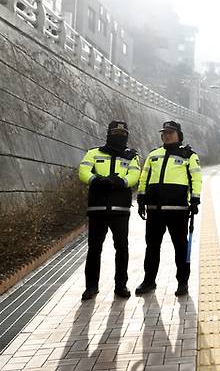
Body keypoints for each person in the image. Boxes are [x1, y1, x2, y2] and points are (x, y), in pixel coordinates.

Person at [135, 121, 202, 297]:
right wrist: (141, 198)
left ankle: (182, 282)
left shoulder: (189, 155)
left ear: (179, 135)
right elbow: (144, 176)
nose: (166, 135)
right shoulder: (153, 155)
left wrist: (195, 200)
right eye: (164, 132)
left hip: (178, 210)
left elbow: (196, 178)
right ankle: (149, 280)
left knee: (180, 247)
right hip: (154, 210)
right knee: (152, 247)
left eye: (171, 132)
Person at [78, 120, 141, 300]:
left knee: (122, 248)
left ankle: (121, 285)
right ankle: (91, 287)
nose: (119, 137)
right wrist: (97, 180)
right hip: (97, 207)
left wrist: (122, 182)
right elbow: (83, 172)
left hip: (120, 209)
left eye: (122, 134)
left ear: (127, 136)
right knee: (94, 248)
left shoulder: (132, 156)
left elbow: (134, 175)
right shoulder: (93, 153)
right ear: (108, 134)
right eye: (115, 133)